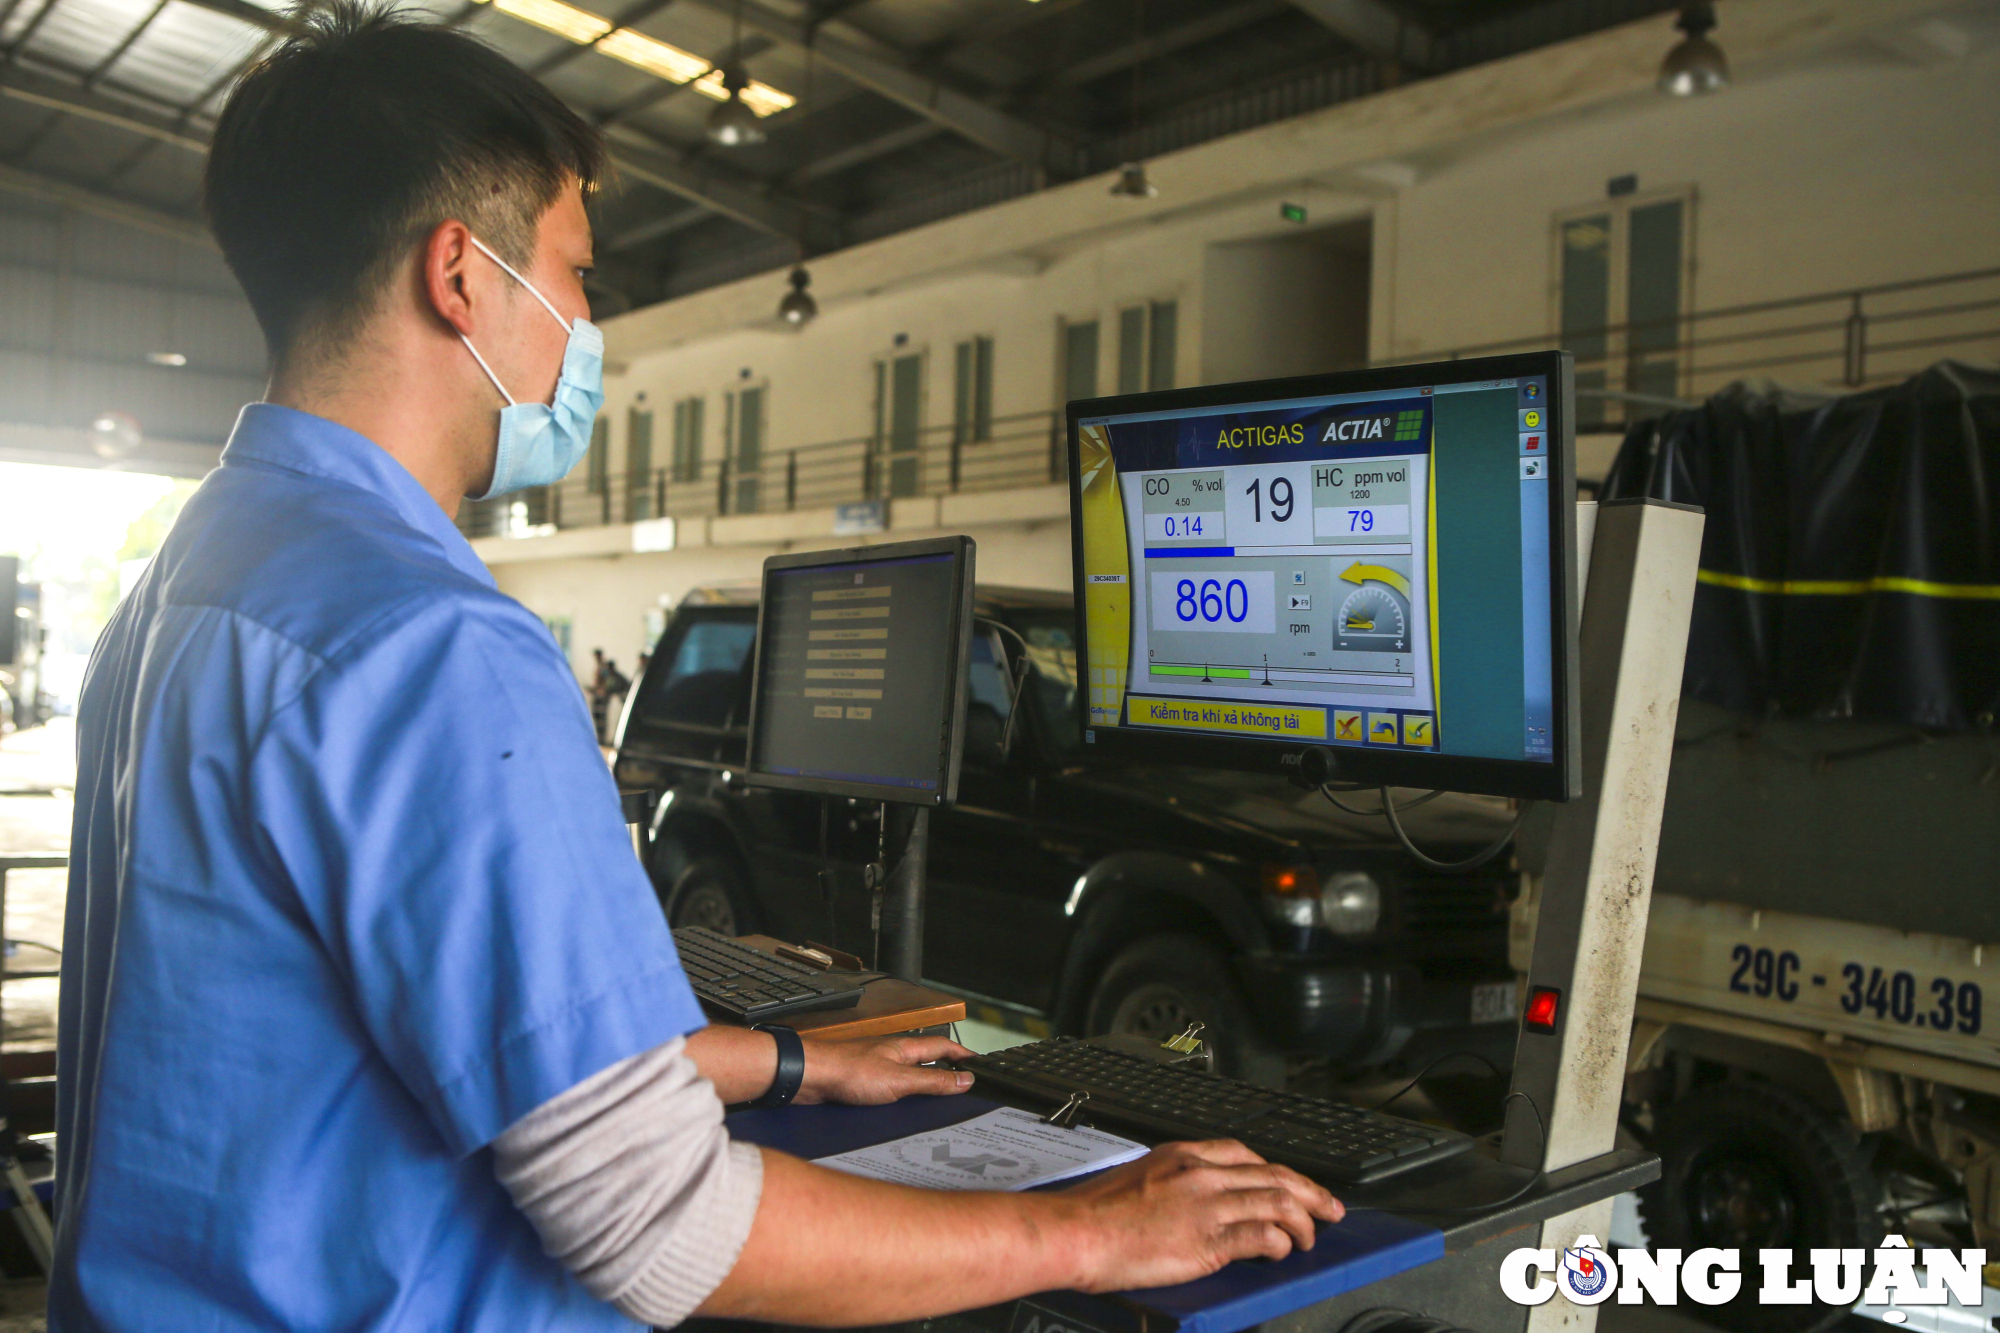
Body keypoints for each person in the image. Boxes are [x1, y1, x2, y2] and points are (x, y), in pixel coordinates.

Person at [51, 6, 1343, 1331]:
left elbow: (370, 1012)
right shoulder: (426, 641)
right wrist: (1090, 1226)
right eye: (573, 273)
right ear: (461, 276)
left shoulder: (196, 577)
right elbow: (662, 1229)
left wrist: (782, 1060)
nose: (583, 328)